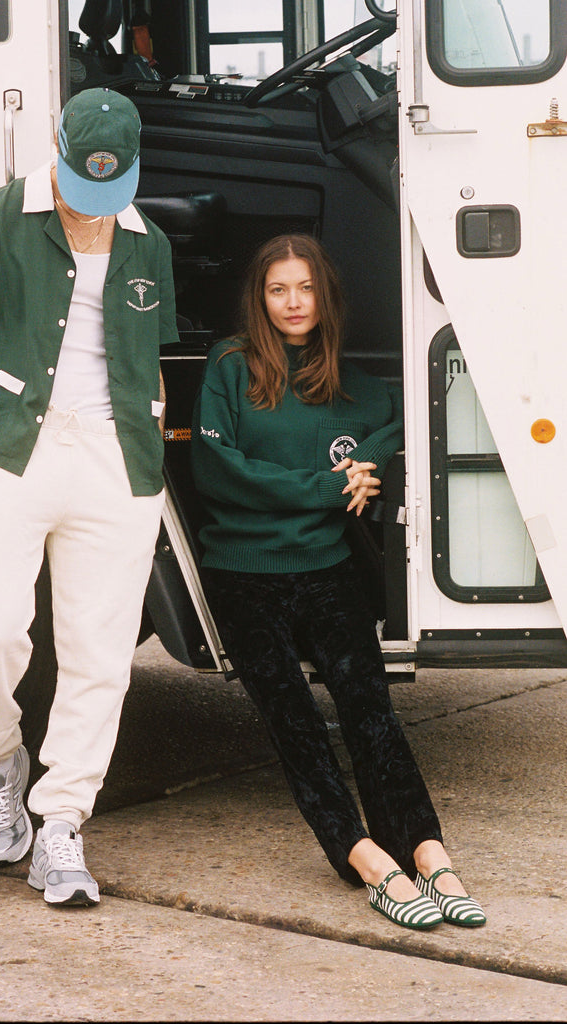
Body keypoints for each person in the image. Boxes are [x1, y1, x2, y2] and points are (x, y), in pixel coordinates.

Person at [0, 88, 179, 906]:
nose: (93, 202)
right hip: (10, 447)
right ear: (57, 147)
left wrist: (143, 454)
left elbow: (148, 367)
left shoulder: (150, 243)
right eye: (82, 179)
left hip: (115, 463)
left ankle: (62, 824)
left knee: (100, 658)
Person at [190, 234, 485, 930]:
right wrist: (327, 486)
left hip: (325, 570)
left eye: (305, 288)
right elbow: (218, 472)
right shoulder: (230, 366)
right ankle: (366, 861)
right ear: (258, 299)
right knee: (295, 721)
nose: (293, 303)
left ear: (325, 296)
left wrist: (369, 462)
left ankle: (427, 852)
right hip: (243, 573)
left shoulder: (350, 385)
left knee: (369, 708)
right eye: (277, 290)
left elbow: (398, 423)